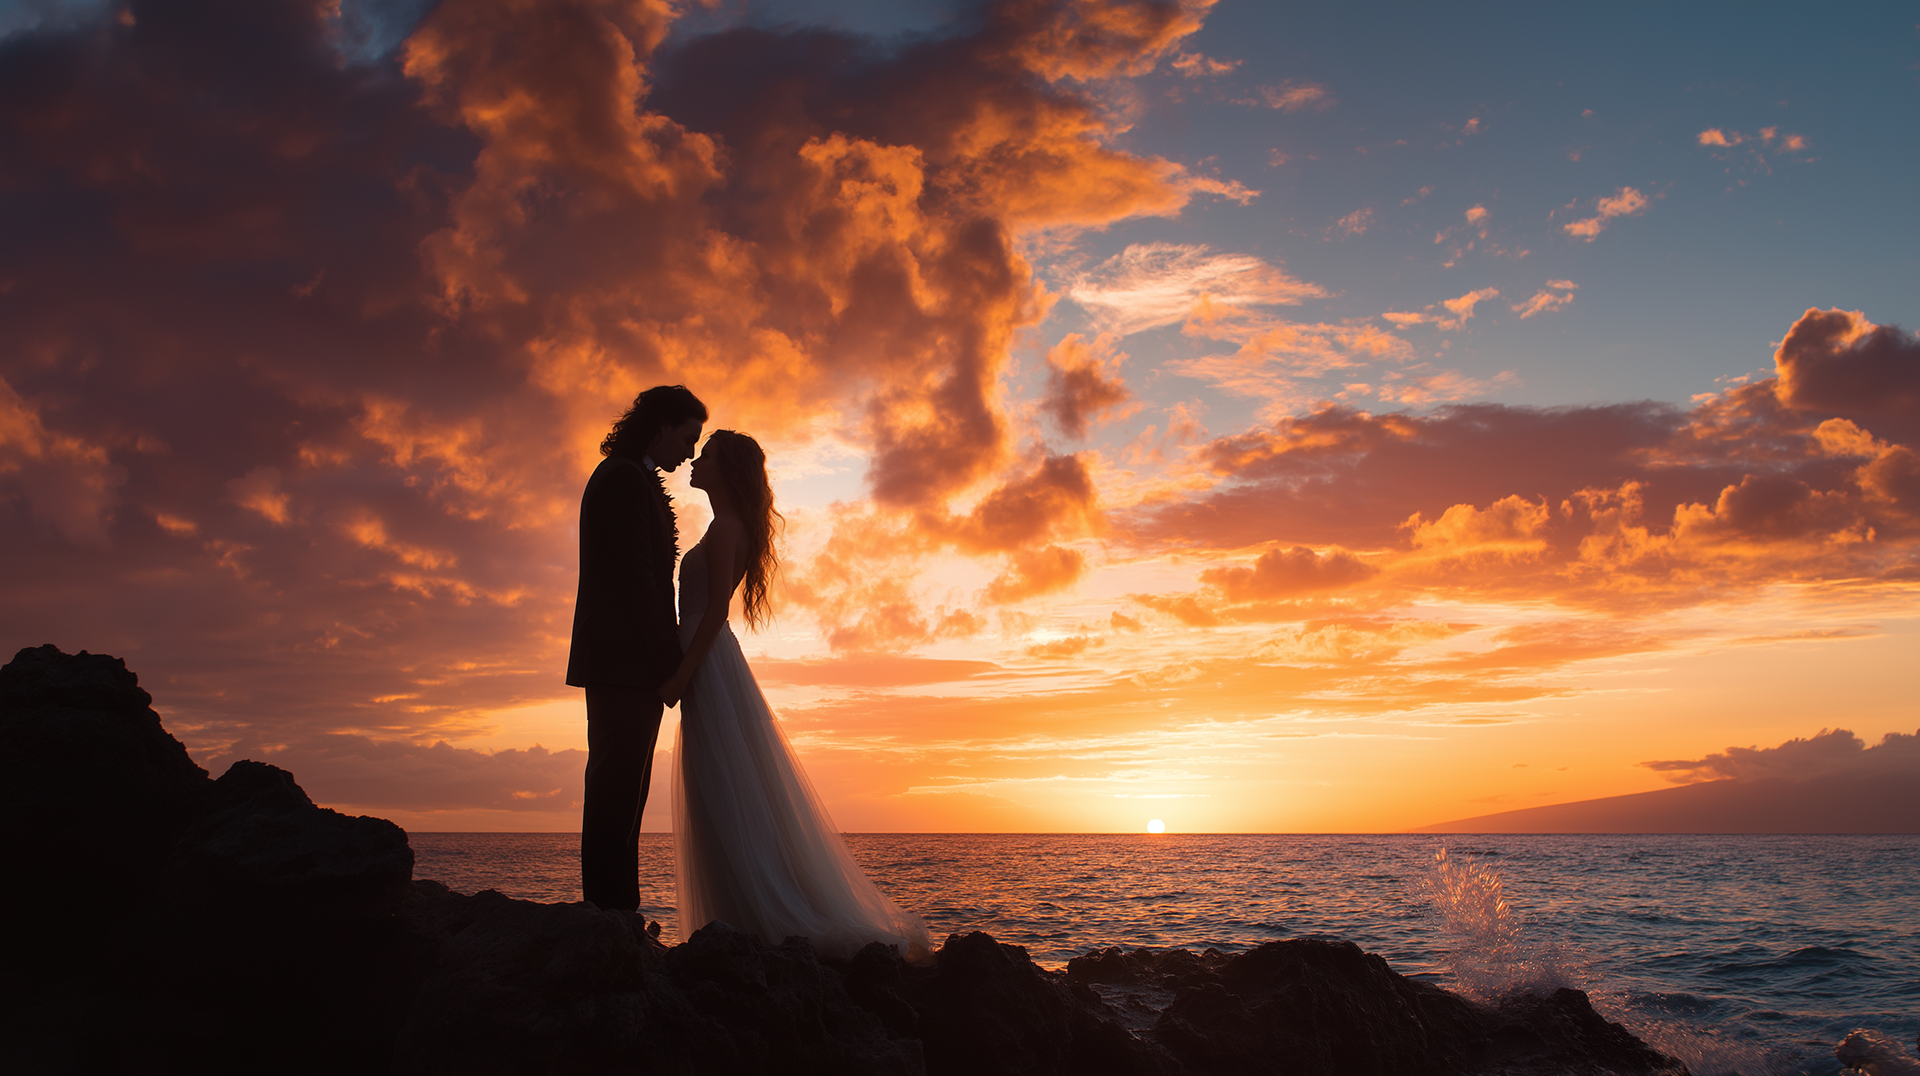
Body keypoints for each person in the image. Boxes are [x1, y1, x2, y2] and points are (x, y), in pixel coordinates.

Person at [660, 430, 932, 963]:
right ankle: (738, 919)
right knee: (723, 786)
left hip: (707, 662)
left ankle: (754, 922)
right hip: (708, 660)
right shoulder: (724, 526)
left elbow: (715, 613)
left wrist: (680, 676)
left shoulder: (725, 531)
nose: (696, 461)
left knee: (724, 786)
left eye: (708, 456)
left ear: (727, 470)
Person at [567, 385, 706, 912]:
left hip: (627, 662)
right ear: (662, 426)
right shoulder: (624, 478)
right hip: (624, 663)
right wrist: (670, 665)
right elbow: (637, 583)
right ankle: (608, 915)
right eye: (688, 438)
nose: (690, 453)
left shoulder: (630, 476)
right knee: (615, 791)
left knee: (627, 792)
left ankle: (619, 913)